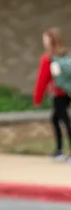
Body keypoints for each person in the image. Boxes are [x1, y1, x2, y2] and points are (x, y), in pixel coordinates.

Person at [32, 27, 71, 160]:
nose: (44, 41)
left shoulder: (47, 58)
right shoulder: (66, 53)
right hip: (67, 92)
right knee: (56, 119)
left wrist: (37, 98)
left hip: (58, 94)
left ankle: (61, 151)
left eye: (45, 39)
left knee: (65, 121)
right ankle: (59, 149)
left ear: (49, 41)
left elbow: (42, 80)